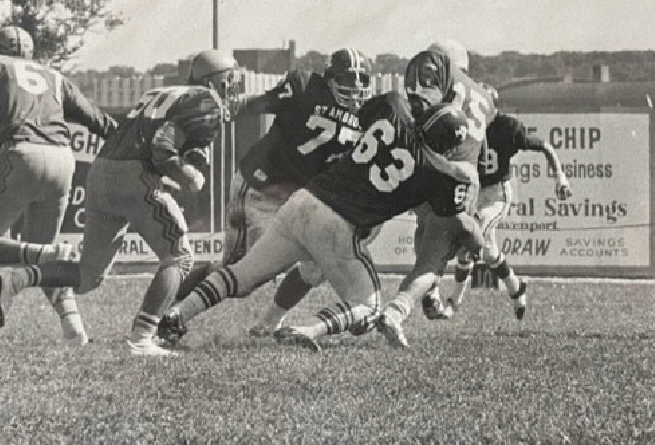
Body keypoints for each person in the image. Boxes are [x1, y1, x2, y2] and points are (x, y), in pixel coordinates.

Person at [157, 95, 485, 352]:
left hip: (303, 201)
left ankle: (177, 315)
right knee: (368, 307)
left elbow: (372, 118)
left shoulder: (392, 107)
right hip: (340, 224)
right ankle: (306, 329)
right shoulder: (441, 174)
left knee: (243, 274)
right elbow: (446, 217)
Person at [0, 49, 238, 355]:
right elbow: (162, 146)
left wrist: (184, 155)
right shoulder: (205, 100)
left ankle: (16, 278)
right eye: (230, 80)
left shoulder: (162, 92)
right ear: (221, 81)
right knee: (179, 257)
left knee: (89, 275)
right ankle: (142, 338)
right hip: (134, 176)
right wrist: (188, 174)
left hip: (102, 171)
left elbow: (153, 134)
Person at [168, 48, 373, 340]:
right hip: (261, 188)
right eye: (346, 78)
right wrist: (220, 109)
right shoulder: (303, 86)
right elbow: (256, 104)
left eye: (360, 79)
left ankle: (268, 324)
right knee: (238, 273)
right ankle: (162, 312)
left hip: (302, 200)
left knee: (314, 267)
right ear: (329, 79)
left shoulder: (366, 117)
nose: (354, 86)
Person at [0, 26, 117, 344]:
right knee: (41, 260)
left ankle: (51, 252)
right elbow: (97, 119)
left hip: (23, 156)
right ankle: (75, 331)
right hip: (62, 161)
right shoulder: (54, 76)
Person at [378, 42, 496, 346]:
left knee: (428, 231)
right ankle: (397, 311)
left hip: (429, 169)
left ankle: (427, 294)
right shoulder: (485, 98)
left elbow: (420, 109)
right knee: (435, 257)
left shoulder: (442, 74)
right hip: (459, 179)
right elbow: (481, 152)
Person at [443, 86, 572, 319]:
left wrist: (560, 178)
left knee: (470, 235)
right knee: (489, 252)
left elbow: (544, 146)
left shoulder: (507, 127)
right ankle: (516, 288)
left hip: (496, 193)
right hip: (474, 190)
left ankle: (454, 300)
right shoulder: (466, 127)